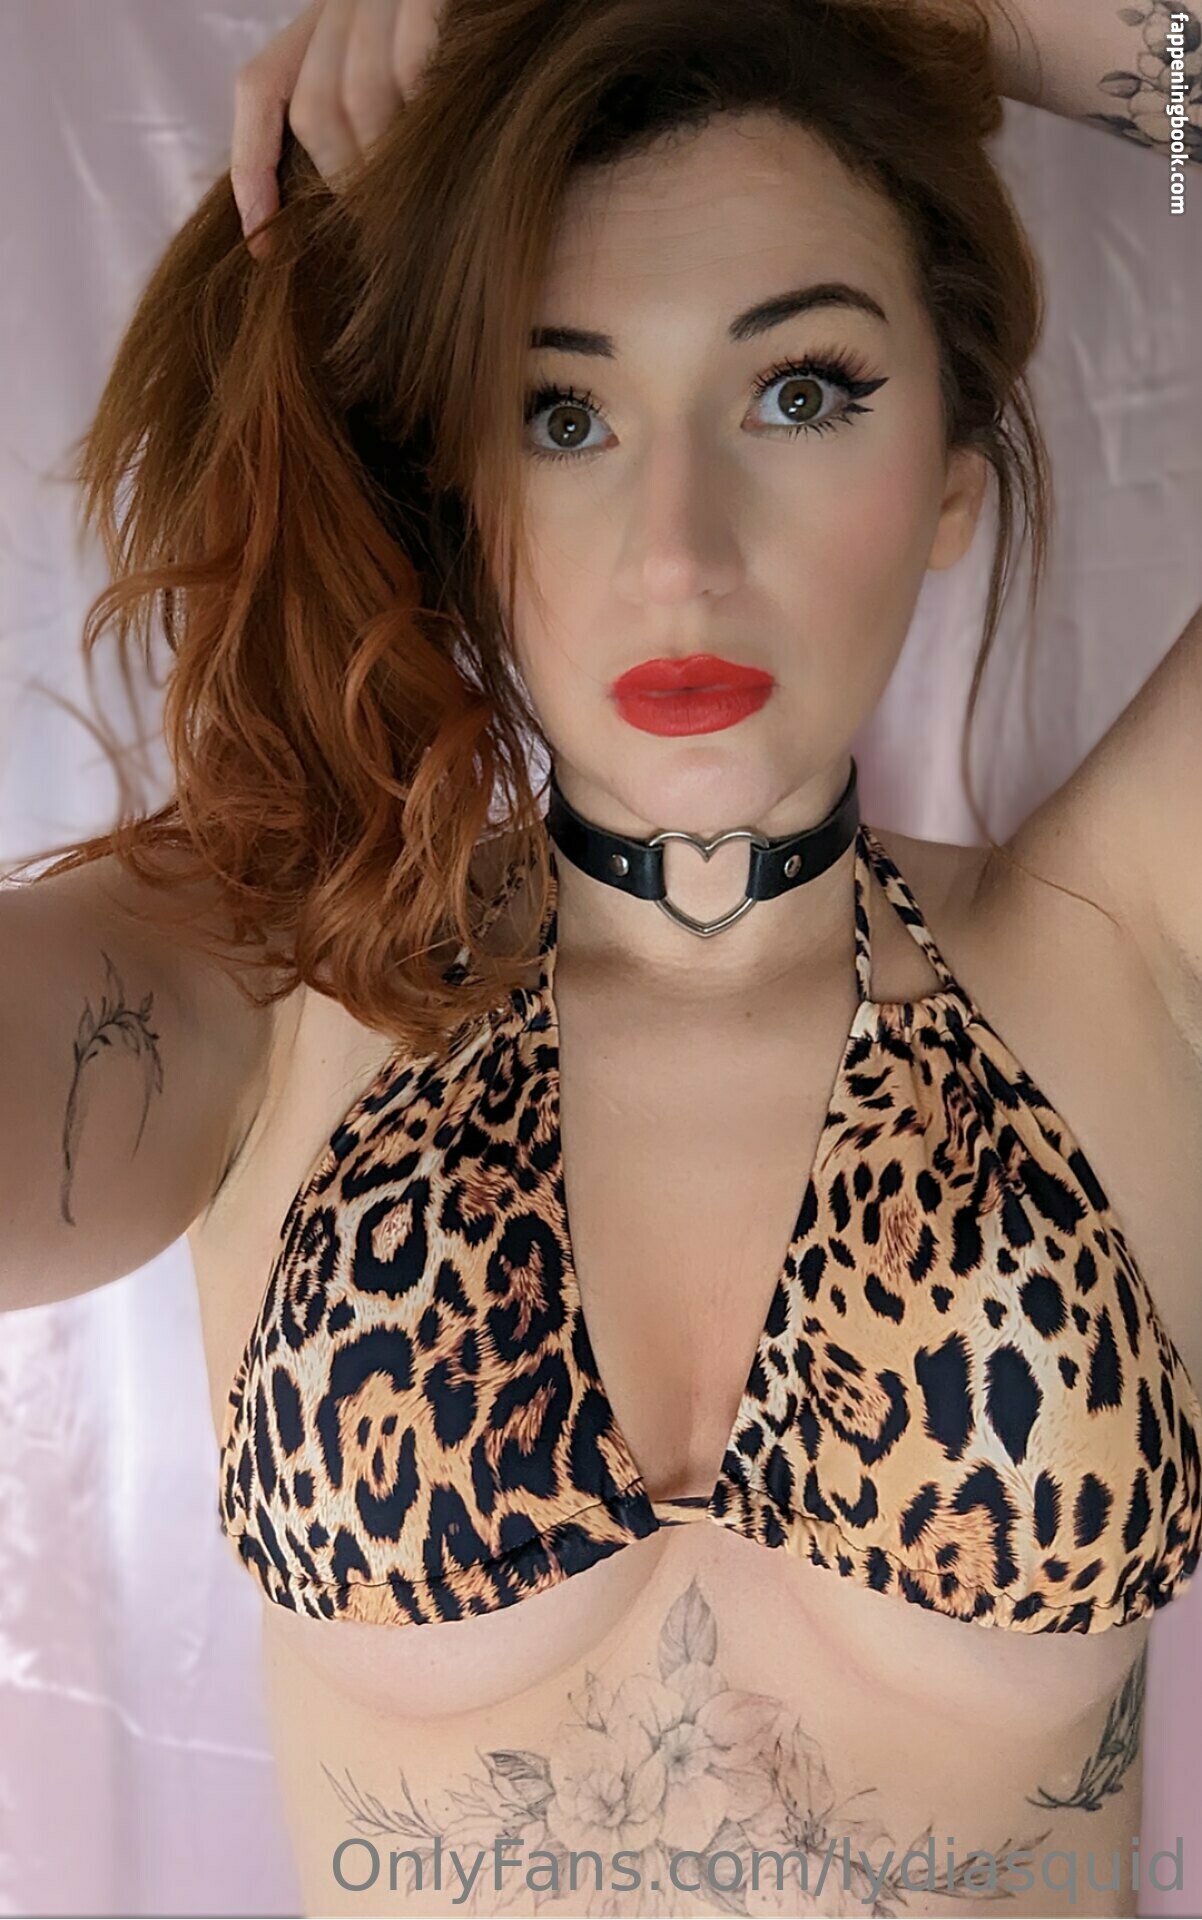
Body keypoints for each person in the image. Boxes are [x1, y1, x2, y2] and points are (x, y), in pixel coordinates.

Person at [2, 0, 1200, 1914]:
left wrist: (932, 17)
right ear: (451, 495)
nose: (678, 550)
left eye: (799, 390)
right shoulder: (278, 980)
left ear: (951, 476)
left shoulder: (1129, 952)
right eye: (559, 413)